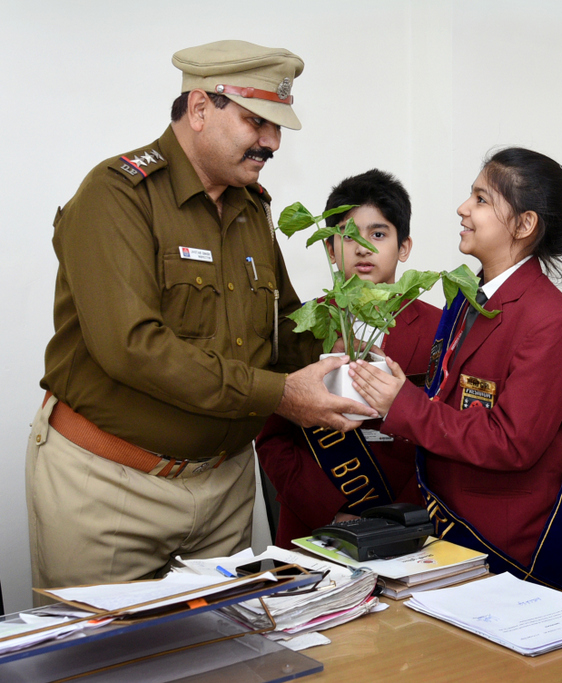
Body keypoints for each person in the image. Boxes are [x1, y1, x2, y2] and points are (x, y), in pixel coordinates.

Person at [26, 40, 374, 593]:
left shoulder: (250, 207)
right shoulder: (117, 196)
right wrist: (281, 396)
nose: (272, 142)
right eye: (257, 121)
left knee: (225, 658)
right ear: (199, 108)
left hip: (225, 487)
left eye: (279, 127)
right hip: (113, 486)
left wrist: (359, 362)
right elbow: (132, 347)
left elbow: (286, 326)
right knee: (107, 667)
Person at [349, 147, 562, 606]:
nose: (462, 209)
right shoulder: (468, 298)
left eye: (480, 199)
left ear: (524, 224)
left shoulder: (550, 322)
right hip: (456, 531)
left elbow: (512, 441)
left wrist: (404, 405)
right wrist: (392, 390)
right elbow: (451, 403)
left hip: (520, 548)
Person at [256, 169, 441, 548]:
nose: (362, 248)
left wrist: (400, 514)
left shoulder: (441, 329)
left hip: (409, 521)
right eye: (347, 235)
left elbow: (444, 433)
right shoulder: (299, 327)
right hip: (314, 525)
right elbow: (273, 438)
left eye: (378, 234)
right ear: (329, 248)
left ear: (404, 247)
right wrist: (330, 510)